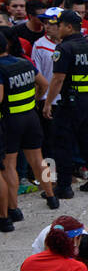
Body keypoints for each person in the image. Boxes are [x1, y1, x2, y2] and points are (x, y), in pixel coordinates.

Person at [44, 10, 88, 198]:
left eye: (59, 25)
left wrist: (47, 103)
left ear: (69, 27)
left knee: (63, 143)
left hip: (71, 102)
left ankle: (64, 187)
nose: (57, 29)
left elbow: (58, 79)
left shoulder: (64, 49)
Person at [0, 33, 58, 229]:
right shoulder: (23, 62)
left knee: (9, 164)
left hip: (10, 121)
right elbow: (44, 84)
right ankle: (51, 197)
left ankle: (14, 209)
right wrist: (35, 99)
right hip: (31, 117)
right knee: (38, 159)